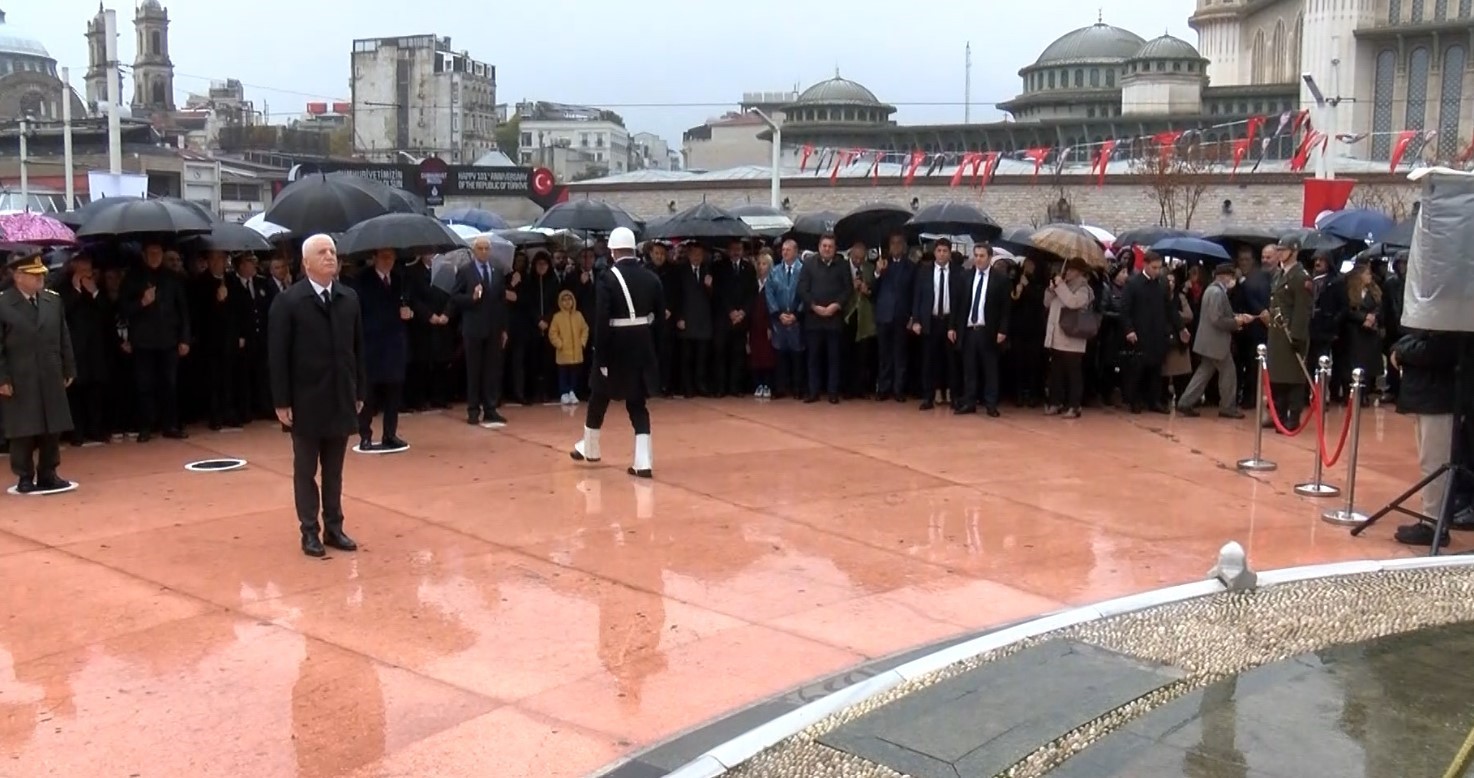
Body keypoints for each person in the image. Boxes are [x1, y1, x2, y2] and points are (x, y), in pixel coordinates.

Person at [268, 234, 366, 558]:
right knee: (305, 469)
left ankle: (334, 527)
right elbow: (278, 355)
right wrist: (281, 401)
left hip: (340, 396)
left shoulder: (348, 298)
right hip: (305, 399)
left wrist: (359, 391)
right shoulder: (289, 301)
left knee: (334, 470)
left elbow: (358, 350)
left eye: (333, 252)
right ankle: (309, 530)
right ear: (306, 262)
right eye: (322, 252)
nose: (329, 257)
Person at [569, 227, 663, 478]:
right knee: (637, 403)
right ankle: (643, 461)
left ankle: (591, 447)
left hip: (615, 344)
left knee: (599, 394)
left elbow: (601, 320)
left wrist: (599, 355)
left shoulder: (607, 278)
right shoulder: (651, 278)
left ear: (612, 250)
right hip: (642, 344)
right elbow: (659, 318)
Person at [0, 250, 76, 494]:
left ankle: (48, 472)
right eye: (34, 275)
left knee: (53, 426)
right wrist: (2, 378)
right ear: (19, 276)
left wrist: (69, 367)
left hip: (50, 371)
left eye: (42, 273)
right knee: (23, 428)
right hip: (20, 374)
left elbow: (64, 336)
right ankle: (24, 475)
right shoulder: (3, 304)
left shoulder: (52, 300)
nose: (41, 278)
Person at [1388, 329, 1463, 547]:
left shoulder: (1452, 323)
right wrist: (1402, 349)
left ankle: (1434, 524)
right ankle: (1430, 517)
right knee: (1428, 461)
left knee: (1435, 462)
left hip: (1440, 398)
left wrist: (1401, 352)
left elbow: (1436, 351)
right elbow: (1413, 340)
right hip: (1429, 395)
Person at [118, 241, 191, 442]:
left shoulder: (173, 278)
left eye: (158, 253)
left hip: (169, 339)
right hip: (143, 341)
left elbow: (183, 310)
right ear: (144, 255)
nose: (155, 256)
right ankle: (145, 426)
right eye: (151, 253)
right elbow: (123, 308)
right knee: (144, 385)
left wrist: (185, 338)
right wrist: (142, 302)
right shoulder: (133, 278)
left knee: (170, 384)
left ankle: (170, 424)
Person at [353, 248, 412, 451]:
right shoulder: (362, 280)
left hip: (394, 344)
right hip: (372, 344)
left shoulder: (398, 278)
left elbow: (405, 302)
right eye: (384, 257)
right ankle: (365, 436)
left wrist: (407, 312)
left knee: (393, 395)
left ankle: (390, 434)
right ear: (375, 258)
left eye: (392, 257)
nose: (389, 261)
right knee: (368, 395)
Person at [449, 236, 510, 427]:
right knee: (474, 370)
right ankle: (473, 409)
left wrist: (504, 328)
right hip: (473, 328)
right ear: (474, 251)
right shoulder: (466, 271)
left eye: (486, 248)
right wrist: (472, 297)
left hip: (493, 327)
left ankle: (490, 408)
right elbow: (455, 297)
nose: (484, 251)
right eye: (480, 248)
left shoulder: (497, 271)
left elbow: (502, 302)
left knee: (491, 370)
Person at [1178, 264, 1251, 418]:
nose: (1232, 280)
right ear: (1223, 276)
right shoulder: (1217, 293)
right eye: (1231, 277)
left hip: (1210, 342)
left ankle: (1185, 402)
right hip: (1216, 342)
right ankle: (1227, 407)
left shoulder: (1212, 291)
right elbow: (1216, 318)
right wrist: (1235, 323)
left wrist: (1237, 317)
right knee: (1229, 373)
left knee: (1203, 373)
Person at [954, 243, 1012, 416]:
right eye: (976, 255)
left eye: (982, 256)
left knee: (990, 369)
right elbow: (959, 305)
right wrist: (953, 327)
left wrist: (1003, 330)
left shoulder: (1000, 279)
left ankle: (991, 403)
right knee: (969, 369)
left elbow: (1005, 309)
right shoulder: (966, 277)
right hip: (969, 330)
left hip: (989, 330)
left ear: (989, 257)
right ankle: (969, 401)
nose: (978, 259)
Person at [797, 234, 852, 404]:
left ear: (835, 249)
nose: (827, 249)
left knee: (834, 357)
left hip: (834, 318)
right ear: (819, 247)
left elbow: (847, 289)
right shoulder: (808, 265)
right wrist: (814, 306)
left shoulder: (842, 265)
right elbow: (802, 288)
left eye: (830, 246)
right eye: (824, 246)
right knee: (813, 357)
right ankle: (813, 392)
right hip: (814, 318)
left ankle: (833, 392)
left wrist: (836, 305)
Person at [1264, 237, 1312, 430]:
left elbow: (1303, 309)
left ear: (1294, 251)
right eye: (1279, 249)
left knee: (1293, 378)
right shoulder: (1278, 275)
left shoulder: (1301, 277)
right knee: (1278, 378)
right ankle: (1279, 414)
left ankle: (1293, 416)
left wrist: (1298, 336)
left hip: (1291, 334)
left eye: (1284, 250)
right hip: (1277, 334)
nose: (1280, 253)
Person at [547, 288, 589, 405]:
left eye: (569, 299)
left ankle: (572, 391)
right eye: (564, 300)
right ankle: (563, 393)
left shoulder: (578, 315)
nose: (567, 302)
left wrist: (582, 342)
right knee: (563, 374)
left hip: (576, 352)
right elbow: (552, 333)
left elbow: (585, 329)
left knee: (574, 374)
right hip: (563, 353)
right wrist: (560, 344)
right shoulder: (557, 317)